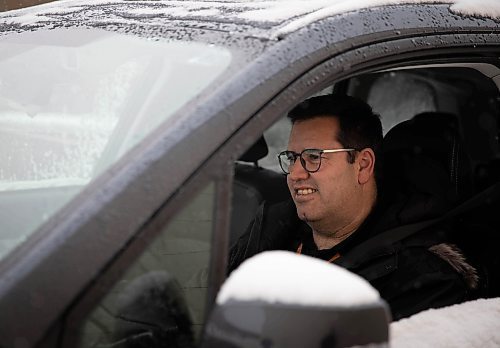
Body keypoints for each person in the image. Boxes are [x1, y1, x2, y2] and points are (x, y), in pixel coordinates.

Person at [228, 94, 479, 320]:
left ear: (362, 165)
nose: (294, 174)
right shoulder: (271, 226)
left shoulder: (420, 278)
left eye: (313, 157)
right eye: (292, 158)